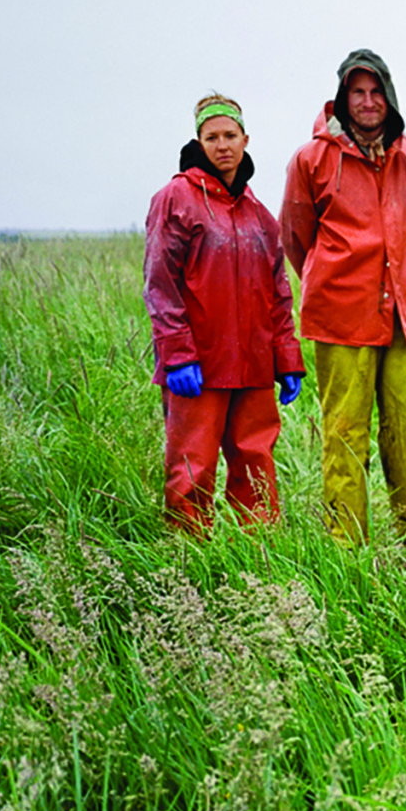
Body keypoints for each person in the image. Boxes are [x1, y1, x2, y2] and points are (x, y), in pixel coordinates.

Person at [280, 49, 406, 543]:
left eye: (376, 92)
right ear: (342, 98)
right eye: (357, 92)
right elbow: (297, 237)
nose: (368, 102)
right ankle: (346, 548)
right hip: (341, 318)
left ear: (389, 96)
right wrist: (338, 281)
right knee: (345, 432)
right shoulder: (311, 160)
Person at [143, 93, 305, 532]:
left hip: (254, 365)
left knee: (256, 464)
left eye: (230, 135)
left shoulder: (259, 215)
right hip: (199, 367)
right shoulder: (176, 199)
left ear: (245, 140)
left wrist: (287, 358)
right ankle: (188, 557)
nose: (222, 145)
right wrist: (177, 355)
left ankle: (257, 556)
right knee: (191, 467)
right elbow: (160, 284)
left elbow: (279, 294)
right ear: (198, 141)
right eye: (211, 137)